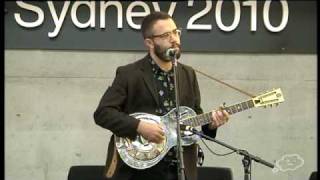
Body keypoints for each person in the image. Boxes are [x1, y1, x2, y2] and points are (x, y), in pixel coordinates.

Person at [94, 11, 229, 180]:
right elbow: (103, 113)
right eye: (166, 35)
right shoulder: (129, 74)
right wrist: (139, 126)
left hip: (180, 170)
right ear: (150, 42)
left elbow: (193, 118)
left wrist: (212, 125)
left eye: (175, 32)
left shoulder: (188, 74)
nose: (174, 39)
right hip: (137, 171)